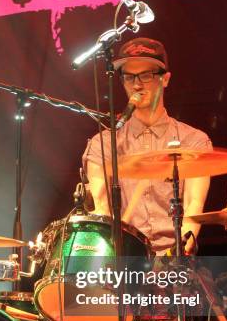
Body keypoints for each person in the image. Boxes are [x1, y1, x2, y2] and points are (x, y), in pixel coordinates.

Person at [83, 37, 212, 255]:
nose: (136, 84)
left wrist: (174, 257)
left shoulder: (194, 141)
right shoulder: (102, 144)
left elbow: (193, 209)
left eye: (146, 75)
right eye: (129, 77)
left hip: (175, 261)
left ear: (165, 79)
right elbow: (102, 211)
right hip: (124, 260)